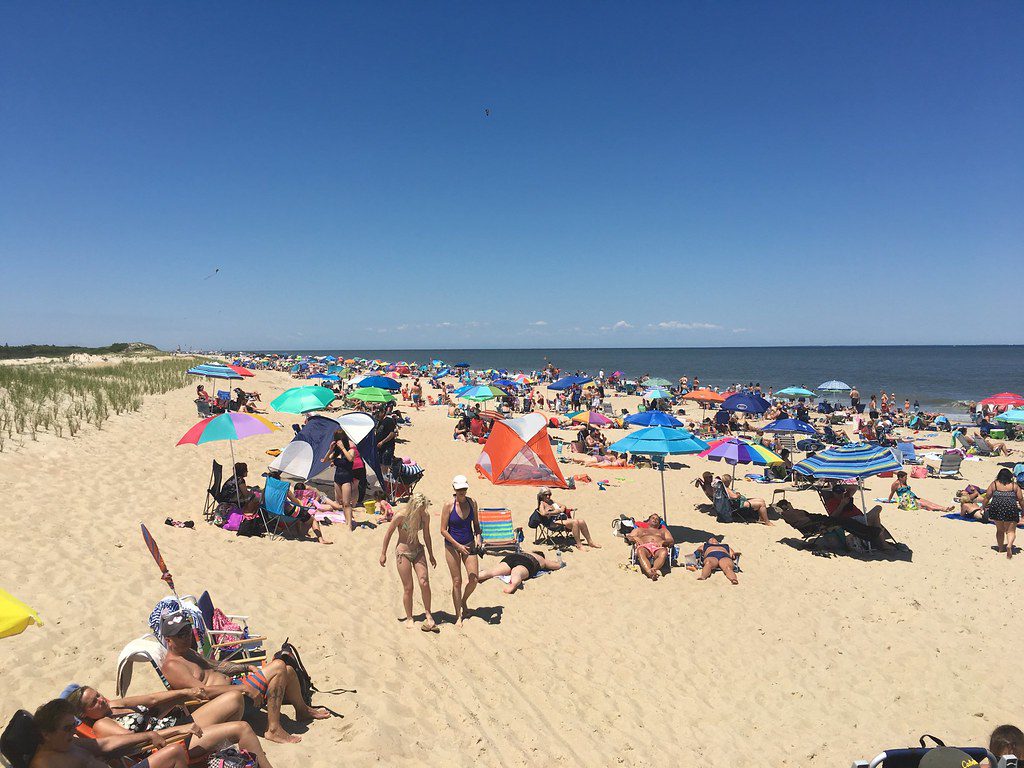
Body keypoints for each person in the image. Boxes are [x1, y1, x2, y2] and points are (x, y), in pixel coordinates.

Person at [158, 612, 330, 744]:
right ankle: (273, 729)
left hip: (235, 687)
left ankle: (302, 710)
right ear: (168, 640)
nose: (187, 636)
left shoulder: (188, 652)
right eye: (180, 634)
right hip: (224, 702)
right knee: (278, 666)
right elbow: (201, 693)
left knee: (289, 670)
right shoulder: (172, 665)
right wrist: (242, 688)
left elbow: (217, 666)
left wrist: (245, 667)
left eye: (188, 630)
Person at [65, 685, 275, 768]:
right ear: (83, 714)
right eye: (93, 702)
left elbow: (153, 698)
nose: (101, 701)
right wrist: (178, 731)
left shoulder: (114, 705)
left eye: (98, 695)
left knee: (234, 699)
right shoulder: (102, 725)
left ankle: (215, 752)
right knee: (242, 728)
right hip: (171, 741)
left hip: (178, 724)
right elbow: (140, 741)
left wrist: (185, 693)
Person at [29, 698, 188, 768]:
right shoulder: (44, 764)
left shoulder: (69, 743)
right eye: (67, 728)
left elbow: (105, 744)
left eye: (74, 726)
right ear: (46, 734)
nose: (73, 732)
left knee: (175, 752)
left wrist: (149, 735)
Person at [379, 493, 439, 632]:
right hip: (403, 552)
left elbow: (426, 535)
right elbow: (388, 533)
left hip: (418, 550)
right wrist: (383, 553)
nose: (422, 511)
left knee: (424, 582)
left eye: (423, 508)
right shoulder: (401, 516)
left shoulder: (425, 516)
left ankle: (428, 613)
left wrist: (431, 554)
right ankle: (409, 617)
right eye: (420, 508)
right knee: (408, 587)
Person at [439, 475, 482, 626]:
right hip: (452, 546)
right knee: (456, 581)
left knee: (474, 578)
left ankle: (463, 601)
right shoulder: (448, 505)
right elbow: (443, 530)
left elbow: (476, 525)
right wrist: (457, 546)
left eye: (464, 488)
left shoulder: (472, 503)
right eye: (459, 489)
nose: (462, 491)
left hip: (469, 543)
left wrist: (478, 538)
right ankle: (458, 616)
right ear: (454, 490)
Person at [534, 489, 600, 549]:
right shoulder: (542, 504)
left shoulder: (551, 501)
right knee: (575, 522)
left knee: (581, 521)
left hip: (561, 519)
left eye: (549, 494)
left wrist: (559, 510)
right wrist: (556, 511)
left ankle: (590, 542)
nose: (548, 496)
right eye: (546, 495)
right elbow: (543, 513)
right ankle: (579, 545)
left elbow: (563, 506)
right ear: (542, 496)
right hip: (552, 523)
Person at [478, 550, 564, 594]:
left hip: (513, 557)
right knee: (516, 572)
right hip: (528, 562)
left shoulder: (527, 551)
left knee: (492, 571)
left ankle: (477, 576)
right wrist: (561, 564)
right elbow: (557, 566)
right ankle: (512, 585)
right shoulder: (542, 559)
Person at [984, 468, 1023, 559]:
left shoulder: (994, 484)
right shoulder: (1014, 486)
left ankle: (1001, 548)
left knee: (1000, 530)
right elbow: (1021, 499)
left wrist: (983, 506)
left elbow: (987, 496)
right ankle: (1009, 545)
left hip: (997, 508)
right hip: (1011, 508)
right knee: (1011, 531)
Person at [323, 429, 358, 531]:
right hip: (337, 478)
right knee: (341, 502)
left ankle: (349, 524)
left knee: (347, 502)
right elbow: (324, 460)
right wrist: (330, 449)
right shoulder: (335, 453)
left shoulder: (350, 450)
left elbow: (350, 459)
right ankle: (347, 519)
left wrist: (343, 448)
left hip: (347, 478)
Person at [626, 514, 675, 581]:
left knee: (664, 552)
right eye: (653, 518)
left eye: (657, 519)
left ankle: (653, 569)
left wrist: (663, 542)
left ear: (659, 523)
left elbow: (671, 540)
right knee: (640, 550)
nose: (655, 520)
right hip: (644, 546)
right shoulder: (640, 530)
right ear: (648, 521)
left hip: (658, 547)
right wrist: (635, 538)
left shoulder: (663, 531)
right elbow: (628, 537)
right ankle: (649, 571)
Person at [887, 471, 954, 511]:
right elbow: (892, 493)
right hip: (906, 500)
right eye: (905, 477)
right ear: (900, 478)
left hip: (913, 497)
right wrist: (888, 501)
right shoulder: (895, 484)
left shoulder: (904, 482)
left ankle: (944, 507)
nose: (906, 478)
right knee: (925, 504)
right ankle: (943, 509)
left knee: (928, 502)